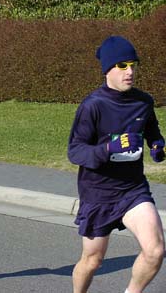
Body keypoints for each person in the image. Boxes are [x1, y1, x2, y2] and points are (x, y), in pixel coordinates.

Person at [68, 35, 165, 293]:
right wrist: (110, 147)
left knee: (155, 251)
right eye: (122, 66)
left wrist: (156, 145)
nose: (130, 71)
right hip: (98, 193)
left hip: (133, 190)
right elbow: (76, 152)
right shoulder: (93, 106)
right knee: (93, 260)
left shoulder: (143, 102)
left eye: (133, 64)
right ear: (108, 70)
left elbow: (152, 130)